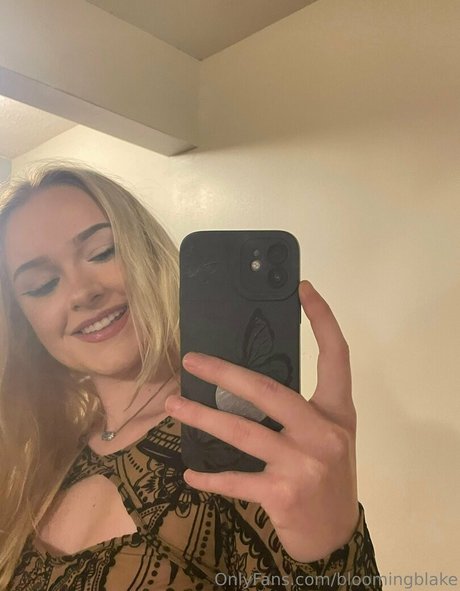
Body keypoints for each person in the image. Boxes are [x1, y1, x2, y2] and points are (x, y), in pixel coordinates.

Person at [0, 163, 381, 590]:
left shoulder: (237, 444)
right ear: (23, 322)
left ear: (148, 253)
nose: (82, 292)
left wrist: (333, 547)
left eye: (103, 252)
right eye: (41, 285)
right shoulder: (36, 466)